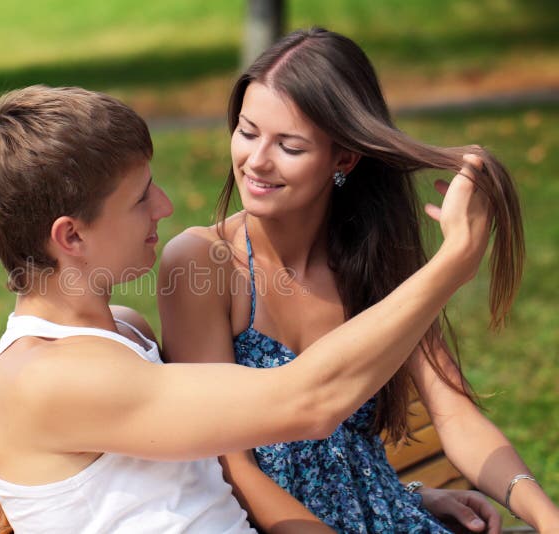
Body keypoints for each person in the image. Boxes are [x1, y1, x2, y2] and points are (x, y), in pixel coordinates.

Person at [0, 84, 493, 533]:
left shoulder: (124, 331)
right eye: (141, 197)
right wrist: (452, 263)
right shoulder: (45, 378)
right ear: (71, 235)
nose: (165, 207)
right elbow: (309, 403)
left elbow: (222, 470)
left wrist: (406, 497)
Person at [158, 27, 559, 533]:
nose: (256, 161)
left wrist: (546, 516)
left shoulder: (371, 261)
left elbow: (454, 414)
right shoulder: (203, 264)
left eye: (290, 145)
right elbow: (229, 465)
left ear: (344, 158)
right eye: (248, 130)